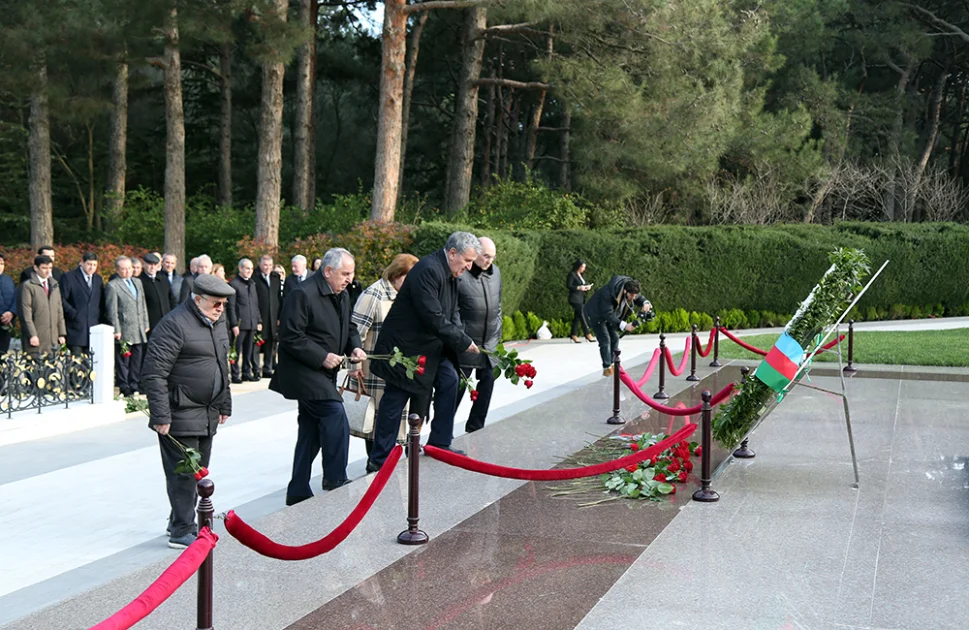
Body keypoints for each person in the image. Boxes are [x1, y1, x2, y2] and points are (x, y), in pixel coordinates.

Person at [366, 232, 482, 472]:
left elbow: (452, 312)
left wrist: (460, 334)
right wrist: (462, 340)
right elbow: (432, 316)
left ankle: (440, 442)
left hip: (430, 348)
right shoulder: (428, 270)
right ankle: (379, 459)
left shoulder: (450, 273)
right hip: (406, 350)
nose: (470, 267)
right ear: (452, 253)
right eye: (467, 261)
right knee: (395, 399)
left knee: (450, 379)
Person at [142, 274, 234, 549]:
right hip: (178, 411)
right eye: (216, 303)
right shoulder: (174, 324)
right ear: (197, 299)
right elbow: (154, 373)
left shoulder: (217, 323)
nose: (220, 308)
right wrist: (160, 415)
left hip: (207, 411)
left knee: (198, 471)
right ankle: (182, 530)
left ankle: (178, 520)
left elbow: (222, 365)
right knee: (183, 474)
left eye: (224, 304)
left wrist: (224, 402)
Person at [270, 248, 366, 506]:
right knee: (335, 414)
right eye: (345, 274)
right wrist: (322, 356)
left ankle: (298, 489)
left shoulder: (342, 293)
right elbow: (290, 337)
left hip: (323, 372)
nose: (349, 279)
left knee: (310, 432)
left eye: (351, 274)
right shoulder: (302, 294)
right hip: (303, 372)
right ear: (327, 271)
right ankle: (335, 479)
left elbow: (350, 328)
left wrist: (354, 347)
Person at [350, 253, 419, 450]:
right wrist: (353, 366)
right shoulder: (374, 294)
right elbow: (355, 332)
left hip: (396, 373)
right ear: (397, 274)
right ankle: (376, 467)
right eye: (408, 277)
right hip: (372, 373)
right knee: (374, 425)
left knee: (392, 426)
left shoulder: (405, 296)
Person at [455, 237, 502, 433]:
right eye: (485, 256)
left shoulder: (496, 273)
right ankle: (441, 432)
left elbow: (498, 305)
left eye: (492, 257)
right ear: (475, 254)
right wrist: (460, 338)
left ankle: (476, 427)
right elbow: (453, 309)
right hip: (465, 343)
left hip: (488, 342)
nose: (489, 261)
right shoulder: (461, 274)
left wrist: (497, 333)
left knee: (488, 383)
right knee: (456, 389)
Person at [584, 276, 650, 376]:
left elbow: (637, 297)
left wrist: (645, 303)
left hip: (610, 315)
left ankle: (614, 363)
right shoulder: (608, 294)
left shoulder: (629, 288)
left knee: (614, 337)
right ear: (624, 291)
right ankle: (607, 368)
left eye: (635, 295)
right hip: (596, 314)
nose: (633, 298)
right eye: (631, 295)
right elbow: (608, 314)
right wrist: (624, 325)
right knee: (605, 339)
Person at [105, 256, 151, 396]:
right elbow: (112, 310)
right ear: (118, 270)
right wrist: (116, 329)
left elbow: (142, 304)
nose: (127, 271)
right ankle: (124, 386)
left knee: (137, 359)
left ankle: (134, 384)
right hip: (124, 329)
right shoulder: (113, 285)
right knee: (124, 359)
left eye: (129, 268)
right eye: (123, 269)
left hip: (138, 328)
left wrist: (145, 323)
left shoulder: (137, 282)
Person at [18, 254, 66, 358]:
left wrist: (62, 333)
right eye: (44, 268)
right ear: (36, 268)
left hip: (53, 337)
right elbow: (26, 313)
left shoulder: (54, 285)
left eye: (50, 268)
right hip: (37, 337)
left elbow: (59, 310)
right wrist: (32, 334)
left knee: (52, 371)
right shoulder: (28, 286)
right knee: (35, 369)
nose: (48, 271)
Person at [60, 252, 104, 355]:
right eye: (89, 264)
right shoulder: (69, 277)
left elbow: (100, 301)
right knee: (76, 364)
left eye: (94, 265)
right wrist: (73, 314)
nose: (91, 268)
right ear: (82, 262)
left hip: (93, 329)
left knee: (91, 365)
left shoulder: (98, 279)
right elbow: (61, 299)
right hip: (75, 328)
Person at [228, 258, 263, 383]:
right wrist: (233, 324)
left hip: (252, 323)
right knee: (237, 351)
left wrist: (259, 321)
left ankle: (247, 373)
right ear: (240, 268)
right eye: (247, 268)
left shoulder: (252, 284)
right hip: (240, 324)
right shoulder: (234, 284)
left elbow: (255, 304)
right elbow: (231, 306)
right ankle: (235, 374)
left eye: (251, 268)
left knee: (249, 351)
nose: (249, 271)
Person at [254, 255, 281, 378]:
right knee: (257, 343)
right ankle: (255, 369)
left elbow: (279, 298)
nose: (268, 268)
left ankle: (267, 368)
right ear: (260, 265)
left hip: (273, 316)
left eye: (270, 265)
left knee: (271, 342)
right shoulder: (255, 277)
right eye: (265, 265)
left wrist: (279, 316)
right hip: (260, 315)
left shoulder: (275, 277)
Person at [140, 253, 175, 334]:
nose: (152, 267)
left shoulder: (163, 279)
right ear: (144, 264)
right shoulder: (140, 281)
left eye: (155, 264)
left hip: (166, 322)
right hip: (149, 324)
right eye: (150, 264)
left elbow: (171, 299)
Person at [567, 259, 595, 343]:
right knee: (582, 315)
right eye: (583, 267)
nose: (584, 269)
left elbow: (582, 285)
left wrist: (586, 287)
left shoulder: (581, 275)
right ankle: (587, 333)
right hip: (574, 299)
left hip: (581, 298)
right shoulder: (572, 274)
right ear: (578, 266)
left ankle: (573, 334)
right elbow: (569, 285)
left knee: (577, 317)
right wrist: (578, 287)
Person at [0, 253, 16, 354]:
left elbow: (16, 298)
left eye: (1, 263)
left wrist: (12, 313)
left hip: (7, 324)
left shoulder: (8, 280)